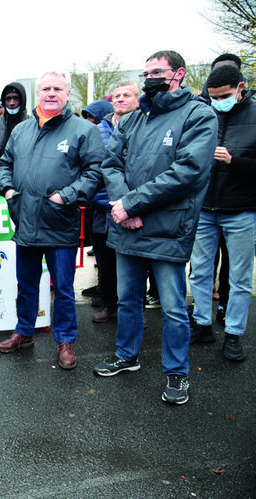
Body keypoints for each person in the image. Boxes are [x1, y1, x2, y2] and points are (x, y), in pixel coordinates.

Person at [93, 50, 218, 405]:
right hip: (128, 226)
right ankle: (127, 355)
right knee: (127, 299)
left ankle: (177, 372)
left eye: (156, 71)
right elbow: (110, 163)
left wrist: (133, 203)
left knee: (173, 306)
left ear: (178, 73)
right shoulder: (133, 119)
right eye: (145, 72)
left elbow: (188, 171)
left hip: (167, 227)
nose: (149, 77)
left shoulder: (198, 114)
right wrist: (124, 205)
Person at [0, 70, 105, 369]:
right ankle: (24, 331)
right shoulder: (21, 130)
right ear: (38, 93)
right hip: (26, 221)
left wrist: (66, 196)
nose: (51, 93)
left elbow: (95, 172)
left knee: (64, 288)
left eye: (58, 88)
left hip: (60, 222)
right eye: (46, 88)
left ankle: (65, 340)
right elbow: (5, 163)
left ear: (68, 94)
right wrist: (8, 191)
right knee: (26, 284)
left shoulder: (84, 130)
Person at [188, 64, 256, 361]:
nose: (218, 101)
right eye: (213, 97)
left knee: (240, 278)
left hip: (241, 210)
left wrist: (234, 161)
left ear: (240, 88)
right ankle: (202, 324)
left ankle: (233, 333)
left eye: (224, 96)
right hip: (204, 208)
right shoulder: (205, 113)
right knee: (200, 272)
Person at [92, 81, 141, 324]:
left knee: (133, 265)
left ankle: (133, 310)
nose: (120, 99)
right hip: (103, 208)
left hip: (134, 208)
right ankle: (108, 304)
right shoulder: (99, 130)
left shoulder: (144, 125)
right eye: (117, 95)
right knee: (105, 262)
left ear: (137, 100)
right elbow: (94, 169)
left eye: (126, 95)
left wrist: (130, 204)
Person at [0, 82, 29, 193]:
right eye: (8, 99)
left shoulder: (33, 126)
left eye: (16, 98)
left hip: (25, 189)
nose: (12, 103)